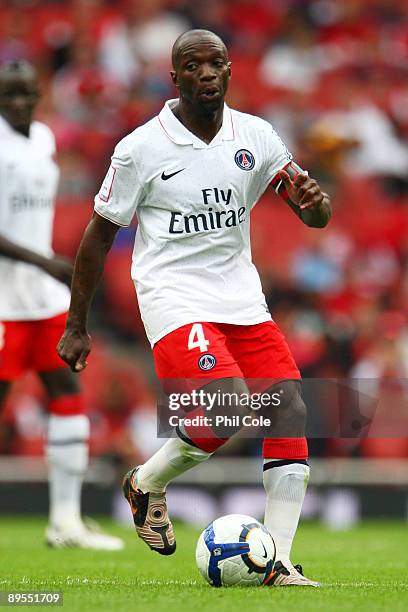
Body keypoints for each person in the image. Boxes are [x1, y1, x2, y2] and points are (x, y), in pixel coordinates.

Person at [58, 30, 331, 584]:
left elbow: (308, 209)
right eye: (193, 65)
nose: (206, 73)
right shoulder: (140, 148)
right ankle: (147, 480)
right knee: (228, 407)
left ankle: (275, 559)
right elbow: (97, 235)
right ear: (174, 75)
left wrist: (316, 207)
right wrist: (76, 324)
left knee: (290, 408)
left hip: (240, 297)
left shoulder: (255, 135)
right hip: (173, 295)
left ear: (230, 71)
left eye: (215, 64)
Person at [0, 60, 123, 551]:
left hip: (43, 297)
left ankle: (66, 522)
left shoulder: (45, 139)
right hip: (4, 300)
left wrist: (47, 268)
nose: (20, 103)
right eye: (9, 95)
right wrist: (46, 260)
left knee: (67, 395)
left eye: (27, 93)